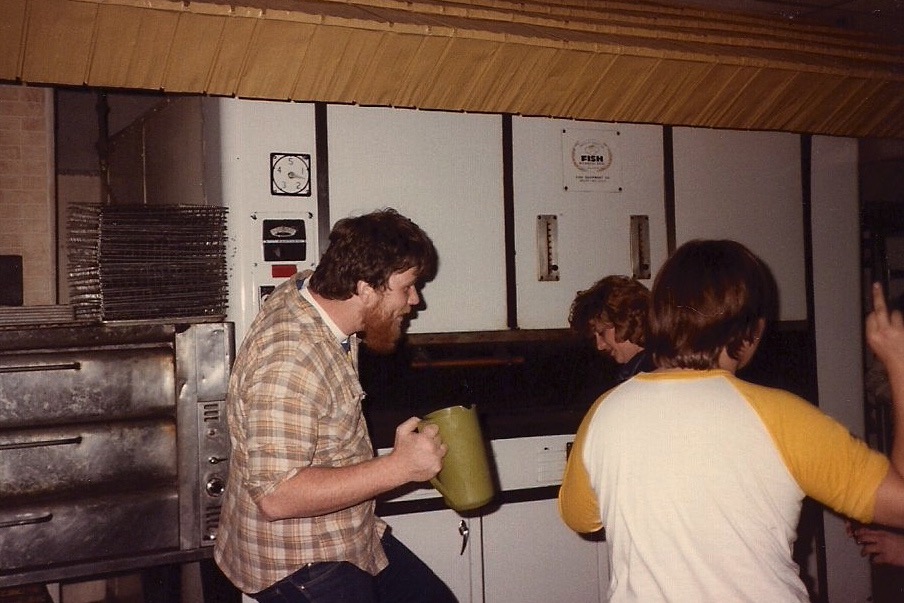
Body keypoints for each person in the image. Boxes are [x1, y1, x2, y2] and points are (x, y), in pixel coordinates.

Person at [558, 238, 904, 602]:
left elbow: (579, 517)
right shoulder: (783, 417)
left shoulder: (603, 412)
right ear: (752, 330)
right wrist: (898, 363)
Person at [214, 208, 457, 603]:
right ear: (364, 288)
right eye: (408, 287)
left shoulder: (313, 294)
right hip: (300, 561)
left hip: (345, 531)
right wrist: (399, 467)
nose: (416, 300)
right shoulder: (289, 359)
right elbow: (277, 496)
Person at [568, 275, 654, 382]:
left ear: (625, 321)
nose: (600, 346)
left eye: (602, 333)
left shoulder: (648, 377)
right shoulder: (639, 369)